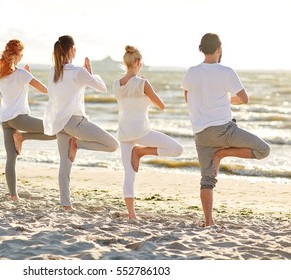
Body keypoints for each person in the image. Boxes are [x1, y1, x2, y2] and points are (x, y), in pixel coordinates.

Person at [181, 33, 270, 226]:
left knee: (207, 180)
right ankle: (224, 153)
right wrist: (229, 101)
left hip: (202, 134)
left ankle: (209, 222)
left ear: (201, 49)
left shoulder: (191, 72)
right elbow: (244, 99)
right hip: (225, 131)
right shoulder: (226, 71)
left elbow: (188, 97)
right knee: (264, 150)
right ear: (219, 50)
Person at [43, 35, 119, 210]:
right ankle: (77, 143)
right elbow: (102, 87)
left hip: (59, 123)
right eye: (74, 48)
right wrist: (90, 73)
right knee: (112, 145)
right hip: (74, 122)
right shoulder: (78, 71)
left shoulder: (53, 71)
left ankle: (66, 204)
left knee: (64, 164)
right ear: (71, 50)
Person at [113, 46, 183, 219]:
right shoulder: (143, 83)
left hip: (124, 132)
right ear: (137, 62)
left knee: (128, 174)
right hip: (141, 132)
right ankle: (142, 151)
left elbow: (129, 103)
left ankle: (132, 215)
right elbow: (161, 105)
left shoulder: (116, 84)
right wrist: (146, 92)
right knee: (177, 150)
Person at [0, 39, 56, 201]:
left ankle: (14, 196)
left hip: (5, 119)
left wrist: (26, 77)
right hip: (19, 118)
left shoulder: (1, 74)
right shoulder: (22, 74)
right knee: (55, 130)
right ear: (18, 55)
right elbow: (44, 90)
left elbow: (16, 88)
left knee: (11, 159)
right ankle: (23, 137)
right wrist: (29, 76)